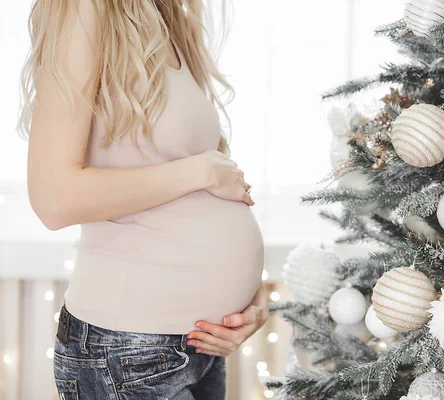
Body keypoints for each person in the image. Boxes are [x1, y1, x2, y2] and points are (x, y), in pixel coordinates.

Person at [18, 1, 268, 398]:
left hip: (197, 346)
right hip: (127, 351)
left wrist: (247, 305)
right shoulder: (85, 9)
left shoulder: (167, 19)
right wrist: (199, 171)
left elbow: (194, 193)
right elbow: (54, 199)